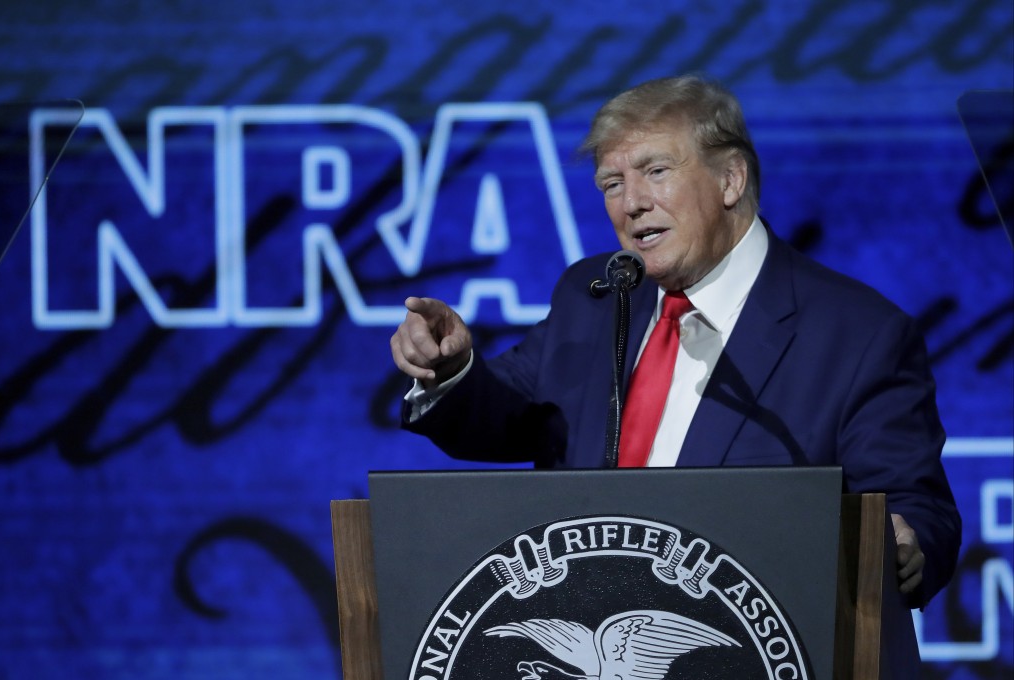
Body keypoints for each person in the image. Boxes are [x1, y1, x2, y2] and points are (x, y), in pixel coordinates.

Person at [390, 75, 960, 614]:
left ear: (730, 179)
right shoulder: (593, 297)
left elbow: (917, 508)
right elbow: (505, 414)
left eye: (655, 171)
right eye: (611, 184)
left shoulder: (857, 334)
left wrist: (905, 547)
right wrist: (452, 371)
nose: (630, 202)